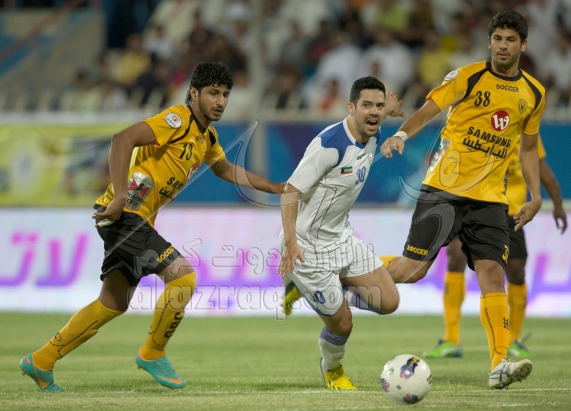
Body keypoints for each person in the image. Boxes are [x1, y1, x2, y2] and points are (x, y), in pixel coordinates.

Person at [20, 62, 283, 392]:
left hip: (132, 220)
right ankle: (152, 352)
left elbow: (227, 170)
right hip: (125, 216)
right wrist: (119, 196)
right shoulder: (178, 120)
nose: (220, 101)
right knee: (183, 278)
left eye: (225, 94)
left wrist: (277, 188)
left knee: (112, 303)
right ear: (193, 93)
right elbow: (122, 139)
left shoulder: (207, 136)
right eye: (213, 93)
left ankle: (42, 360)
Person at [378, 11, 546, 389]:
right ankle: (350, 273)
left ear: (523, 45)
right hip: (444, 191)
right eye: (497, 38)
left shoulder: (534, 92)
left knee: (493, 273)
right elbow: (428, 111)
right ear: (489, 42)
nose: (503, 46)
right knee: (411, 271)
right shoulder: (468, 77)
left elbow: (529, 148)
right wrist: (401, 135)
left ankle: (499, 363)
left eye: (511, 39)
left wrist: (536, 196)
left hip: (491, 200)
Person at [278, 77, 403, 390]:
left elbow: (377, 116)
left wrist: (388, 109)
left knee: (389, 301)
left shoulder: (372, 132)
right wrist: (290, 244)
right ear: (351, 108)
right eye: (366, 105)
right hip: (308, 248)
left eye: (378, 106)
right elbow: (290, 191)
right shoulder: (329, 144)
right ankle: (332, 369)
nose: (374, 112)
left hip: (342, 238)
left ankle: (303, 288)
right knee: (343, 323)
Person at [423, 136, 567, 360]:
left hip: (511, 212)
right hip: (471, 204)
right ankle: (451, 338)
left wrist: (558, 205)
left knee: (516, 271)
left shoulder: (524, 132)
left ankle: (514, 338)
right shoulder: (477, 126)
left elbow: (541, 168)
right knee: (455, 256)